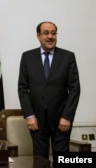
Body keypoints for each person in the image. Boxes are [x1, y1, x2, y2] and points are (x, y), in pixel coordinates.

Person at [18, 21, 80, 168]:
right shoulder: (27, 57)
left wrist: (67, 116)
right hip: (37, 121)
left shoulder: (68, 57)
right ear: (38, 36)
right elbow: (22, 88)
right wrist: (29, 115)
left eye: (53, 33)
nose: (50, 36)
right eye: (46, 33)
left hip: (61, 120)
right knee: (39, 161)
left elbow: (75, 88)